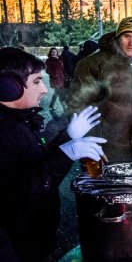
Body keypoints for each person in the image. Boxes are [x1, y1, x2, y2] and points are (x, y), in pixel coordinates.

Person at [0, 47, 106, 262]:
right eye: (37, 81)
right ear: (8, 88)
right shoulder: (3, 133)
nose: (44, 90)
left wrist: (67, 137)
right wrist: (67, 153)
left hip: (35, 242)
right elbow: (19, 197)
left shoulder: (16, 122)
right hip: (18, 251)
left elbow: (36, 162)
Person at [67, 16, 132, 164]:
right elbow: (77, 106)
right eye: (127, 36)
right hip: (109, 150)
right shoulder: (93, 64)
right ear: (117, 37)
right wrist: (91, 145)